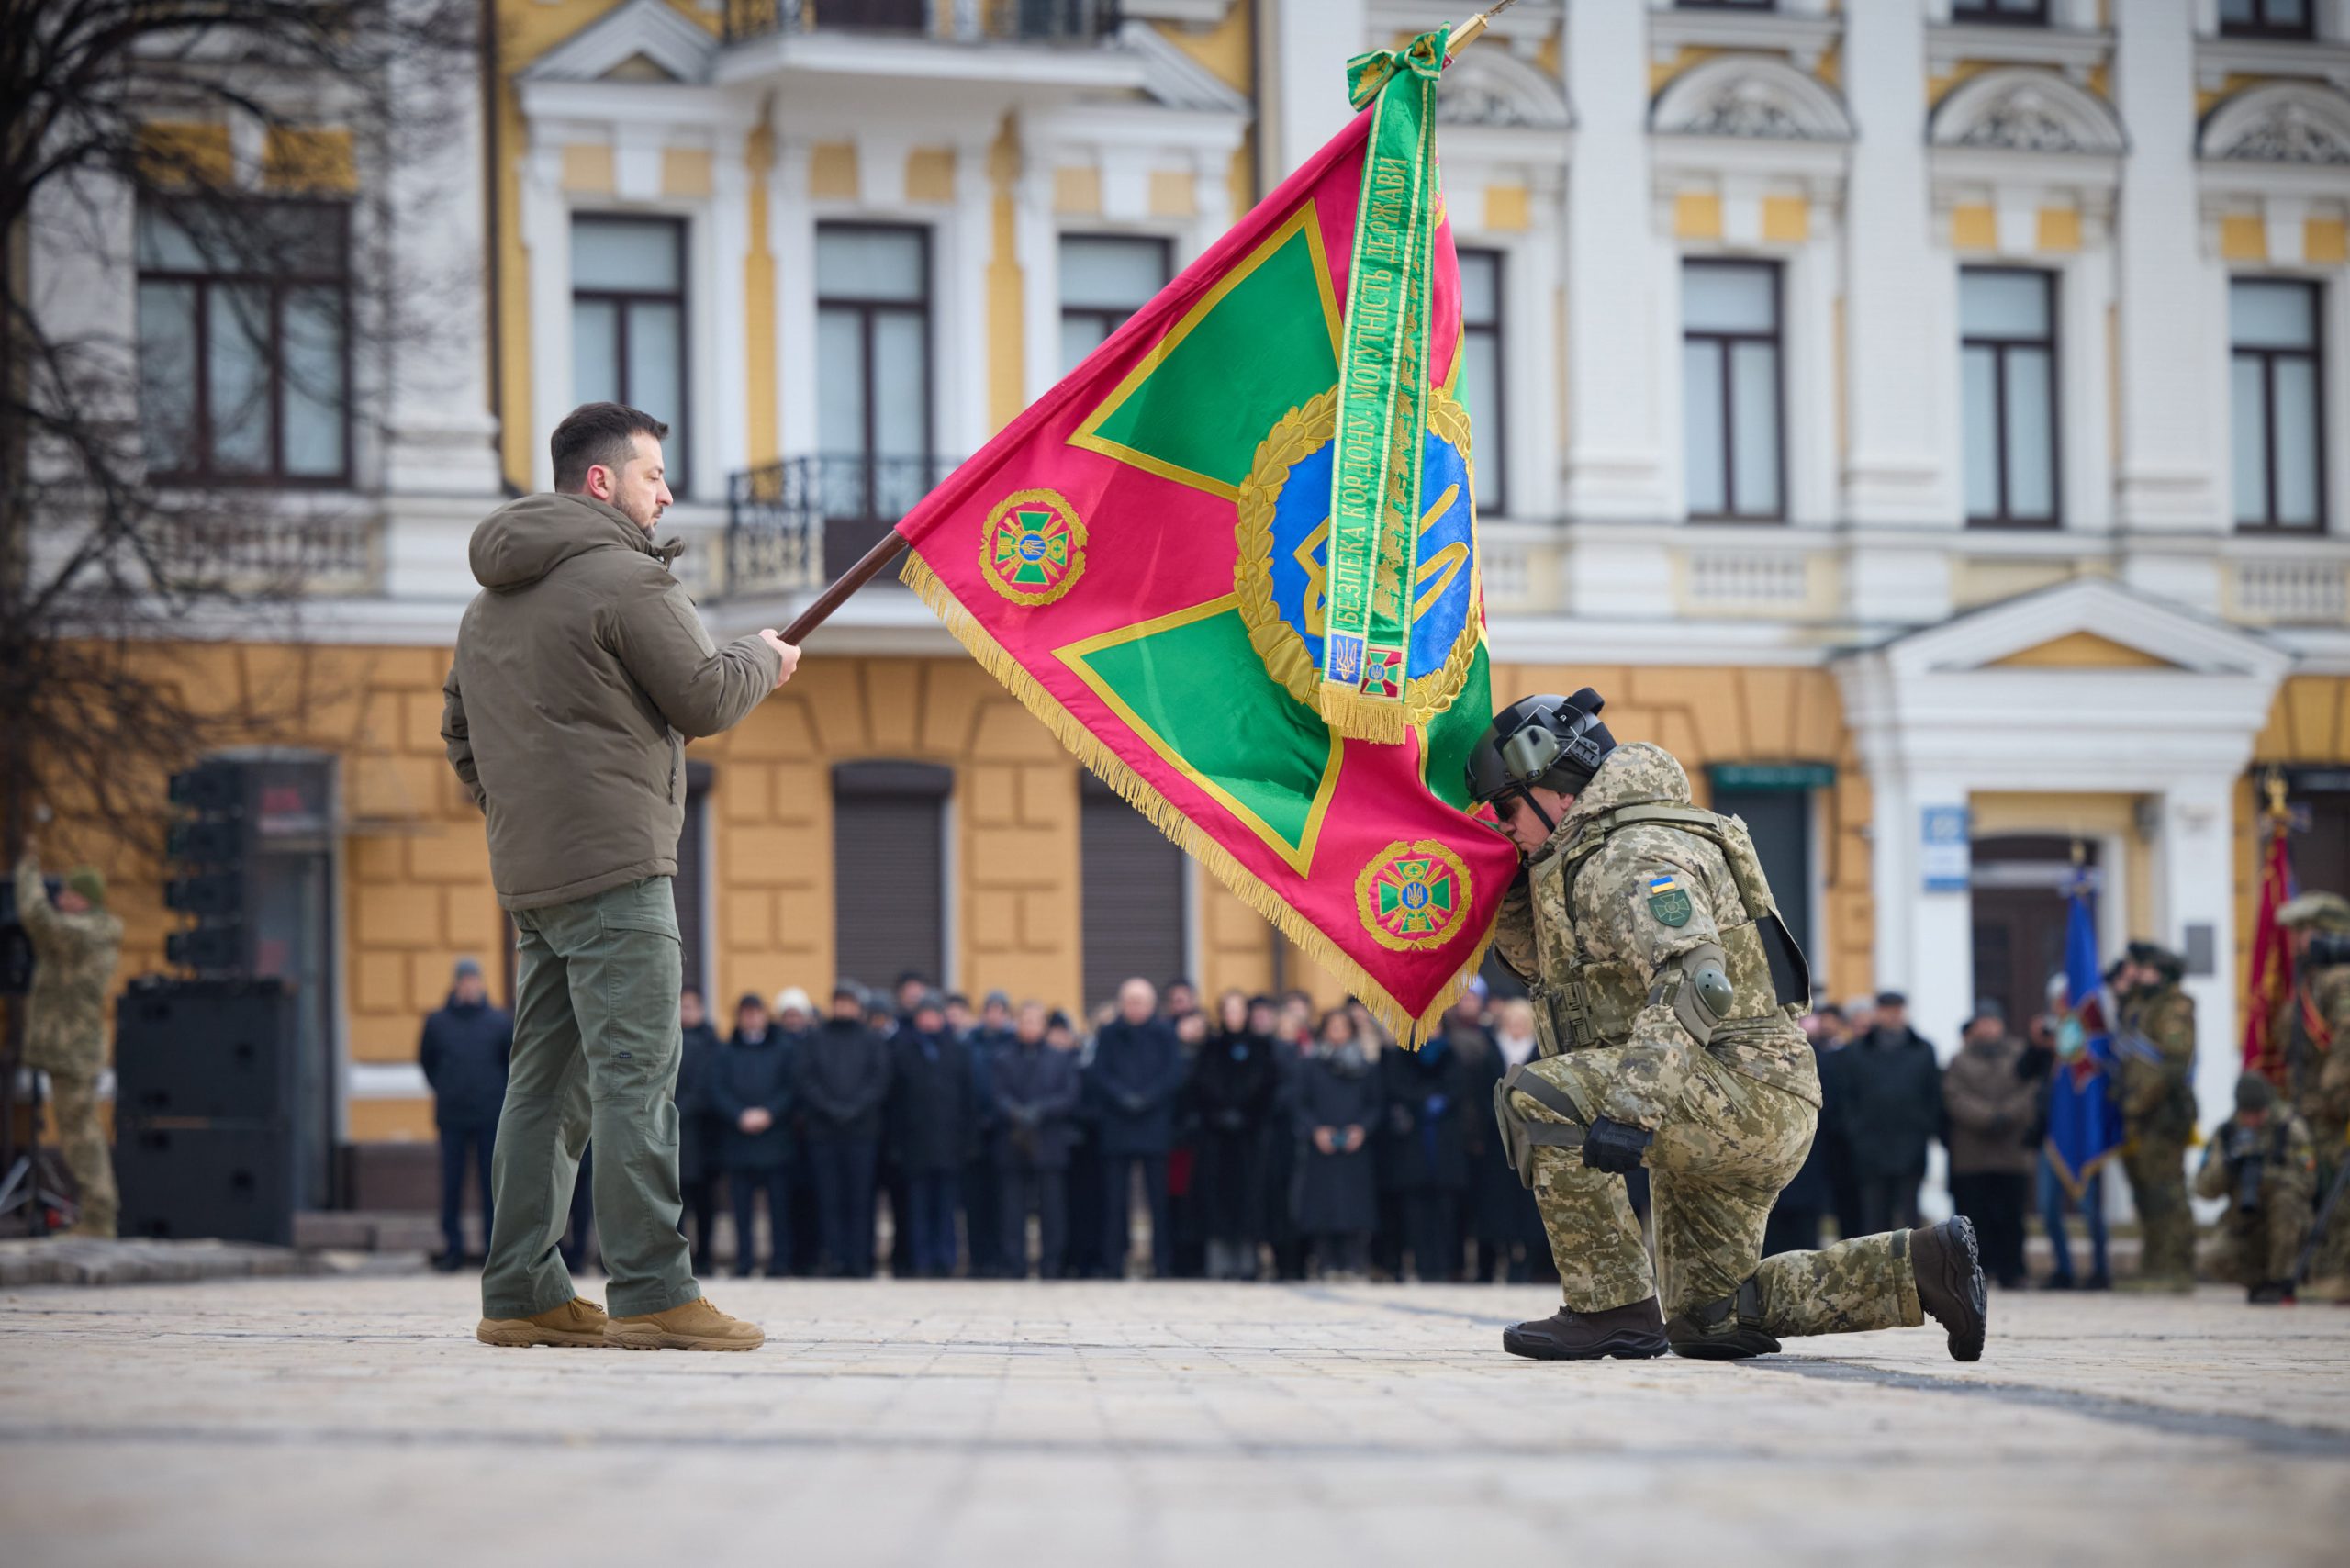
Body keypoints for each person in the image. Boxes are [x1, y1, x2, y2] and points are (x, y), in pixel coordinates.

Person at [1471, 689, 1985, 1362]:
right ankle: (1923, 1268)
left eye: (1507, 807)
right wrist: (1514, 890)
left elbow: (1697, 976)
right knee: (1709, 1320)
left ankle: (1610, 1309)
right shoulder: (1589, 853)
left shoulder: (1632, 852)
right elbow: (1552, 967)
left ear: (1557, 787)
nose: (1502, 824)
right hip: (1734, 1093)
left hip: (1737, 1091)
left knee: (1538, 1096)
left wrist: (1632, 1108)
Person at [446, 401, 793, 1351]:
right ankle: (652, 1288)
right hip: (620, 869)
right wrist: (763, 659)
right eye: (653, 477)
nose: (666, 494)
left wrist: (525, 813)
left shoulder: (488, 604)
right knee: (637, 1076)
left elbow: (459, 738)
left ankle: (518, 1289)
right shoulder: (625, 578)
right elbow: (706, 694)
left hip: (533, 876)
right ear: (601, 482)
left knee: (544, 1087)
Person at [11, 852, 123, 1238]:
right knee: (77, 1132)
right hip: (68, 1049)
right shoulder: (83, 932)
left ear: (86, 900)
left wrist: (27, 873)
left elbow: (38, 919)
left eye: (69, 895)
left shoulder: (86, 932)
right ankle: (96, 1215)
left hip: (73, 1050)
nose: (61, 900)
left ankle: (99, 1216)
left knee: (80, 1135)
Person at [2275, 891, 2350, 1299]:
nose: (2297, 941)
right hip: (2310, 1108)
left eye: (2305, 932)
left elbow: (2346, 1041)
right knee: (2319, 1189)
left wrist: (2339, 1095)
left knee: (2340, 1196)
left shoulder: (2340, 980)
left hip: (2334, 1108)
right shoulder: (2310, 980)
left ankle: (2341, 1276)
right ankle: (2324, 1271)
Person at [2110, 943, 2198, 1292]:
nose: (2136, 975)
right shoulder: (2142, 1005)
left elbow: (2171, 1067)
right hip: (2139, 1115)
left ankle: (2176, 1269)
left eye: (2143, 969)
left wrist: (2140, 1103)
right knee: (2146, 1193)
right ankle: (2155, 1265)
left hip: (2163, 1113)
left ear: (2161, 973)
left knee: (2168, 1193)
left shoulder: (2174, 1006)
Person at [1088, 977, 1188, 1278]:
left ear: (1152, 1004)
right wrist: (1122, 1097)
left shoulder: (1165, 1034)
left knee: (1158, 1201)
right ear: (1122, 1003)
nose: (1135, 1007)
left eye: (1140, 1001)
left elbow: (1173, 1074)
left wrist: (1146, 1098)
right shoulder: (1108, 1033)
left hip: (1154, 1125)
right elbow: (1099, 1073)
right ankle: (1113, 1263)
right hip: (1118, 1125)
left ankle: (1162, 1264)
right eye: (1130, 1001)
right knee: (1115, 1202)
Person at [419, 957, 512, 1271]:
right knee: (452, 1185)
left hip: (489, 1117)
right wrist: (446, 1088)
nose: (470, 985)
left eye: (475, 980)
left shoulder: (499, 1022)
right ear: (457, 983)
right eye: (465, 980)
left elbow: (510, 1065)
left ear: (481, 983)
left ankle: (492, 1250)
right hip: (452, 1117)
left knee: (491, 1186)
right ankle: (453, 1249)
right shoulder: (437, 1022)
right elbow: (427, 1063)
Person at [794, 982, 891, 1277]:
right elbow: (806, 1078)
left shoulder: (872, 1040)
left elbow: (880, 1079)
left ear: (858, 1007)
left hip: (862, 1133)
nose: (844, 1008)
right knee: (829, 1198)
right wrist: (831, 1108)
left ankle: (861, 1260)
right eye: (839, 1002)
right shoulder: (815, 1038)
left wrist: (854, 1109)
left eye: (849, 1002)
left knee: (861, 1199)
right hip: (823, 1133)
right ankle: (834, 1258)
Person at [1939, 1000, 2036, 1290]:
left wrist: (2007, 1115)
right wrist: (1987, 1118)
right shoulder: (1959, 1060)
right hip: (1973, 1154)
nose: (1988, 1028)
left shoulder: (2020, 1055)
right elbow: (1954, 1097)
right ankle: (1978, 1271)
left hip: (2012, 1152)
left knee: (2012, 1216)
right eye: (1983, 1023)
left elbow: (2031, 1090)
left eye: (1993, 1022)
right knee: (1974, 1217)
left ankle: (2013, 1271)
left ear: (2001, 1025)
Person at [2194, 1073, 2317, 1304]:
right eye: (2247, 1114)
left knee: (2285, 1203)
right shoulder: (2226, 1133)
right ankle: (2261, 1284)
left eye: (2258, 1113)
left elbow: (2308, 1182)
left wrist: (2267, 1178)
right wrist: (2227, 1167)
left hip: (2286, 1221)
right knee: (2211, 1258)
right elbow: (2203, 1190)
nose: (2252, 1121)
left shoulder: (2288, 1128)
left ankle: (2280, 1280)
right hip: (2245, 1222)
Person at [1381, 1014, 1479, 1282]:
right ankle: (1422, 1264)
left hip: (1445, 1142)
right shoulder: (1402, 1057)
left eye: (1434, 1026)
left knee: (1446, 1208)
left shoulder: (1451, 1055)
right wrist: (1423, 1100)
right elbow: (1396, 1089)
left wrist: (1441, 1101)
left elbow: (1459, 1089)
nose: (1430, 1032)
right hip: (1412, 1143)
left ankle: (1443, 1265)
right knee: (1415, 1209)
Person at [1188, 991, 1278, 1280]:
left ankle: (1247, 1263)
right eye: (1228, 1011)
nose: (1233, 1017)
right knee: (1217, 1197)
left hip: (1249, 1137)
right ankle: (1220, 1263)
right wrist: (1219, 1114)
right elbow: (1201, 1085)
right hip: (1215, 1136)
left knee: (1248, 1196)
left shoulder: (1261, 1048)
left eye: (1238, 1011)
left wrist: (1246, 1115)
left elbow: (1266, 1087)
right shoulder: (1211, 1048)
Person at [1840, 991, 1944, 1234]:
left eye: (1897, 1009)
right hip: (1870, 1146)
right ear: (1878, 1012)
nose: (1893, 1015)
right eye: (1887, 1009)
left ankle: (1910, 1267)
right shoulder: (1857, 1051)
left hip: (1911, 1143)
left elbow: (1933, 1095)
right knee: (1874, 1217)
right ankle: (1877, 1270)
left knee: (1910, 1215)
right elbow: (1847, 1095)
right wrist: (1855, 1130)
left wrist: (1925, 1126)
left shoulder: (1923, 1050)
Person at [994, 999, 1082, 1277]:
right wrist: (1016, 1112)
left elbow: (1070, 1095)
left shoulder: (1060, 1057)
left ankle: (1051, 1265)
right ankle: (1014, 1265)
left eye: (1035, 1021)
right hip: (1013, 1140)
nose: (1029, 1026)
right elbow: (996, 1095)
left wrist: (1040, 1111)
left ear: (1044, 1025)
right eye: (1024, 1020)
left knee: (1052, 1210)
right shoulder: (1003, 1057)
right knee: (1012, 1210)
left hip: (1049, 1141)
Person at [1292, 1008, 1381, 1280]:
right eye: (1333, 1027)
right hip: (1323, 1144)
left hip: (1355, 1145)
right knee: (1323, 1205)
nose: (1338, 1033)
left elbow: (1375, 1104)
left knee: (1354, 1206)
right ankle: (1325, 1262)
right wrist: (1315, 1130)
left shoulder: (1365, 1066)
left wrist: (1361, 1130)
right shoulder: (1312, 1064)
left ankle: (1354, 1262)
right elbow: (1300, 1103)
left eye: (1343, 1027)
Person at [890, 992, 972, 1277]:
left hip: (949, 1144)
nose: (928, 1019)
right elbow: (895, 1101)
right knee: (918, 1208)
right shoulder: (903, 1050)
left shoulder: (957, 1050)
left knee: (946, 1208)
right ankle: (921, 1261)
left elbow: (967, 1100)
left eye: (934, 1014)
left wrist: (966, 1142)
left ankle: (945, 1261)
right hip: (915, 1145)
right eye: (923, 1015)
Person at [712, 994, 793, 1278]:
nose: (751, 1019)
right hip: (739, 1141)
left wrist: (769, 1113)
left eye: (756, 1013)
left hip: (775, 1141)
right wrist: (739, 1115)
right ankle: (744, 1261)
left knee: (779, 1209)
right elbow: (716, 1089)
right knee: (742, 1209)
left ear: (764, 1016)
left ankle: (780, 1262)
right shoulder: (726, 1051)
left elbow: (791, 1088)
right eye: (745, 1014)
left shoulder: (781, 1049)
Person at [674, 987, 723, 1275]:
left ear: (701, 1010)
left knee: (705, 1201)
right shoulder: (664, 1040)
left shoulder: (712, 1043)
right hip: (673, 1135)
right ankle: (681, 1261)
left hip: (705, 1136)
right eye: (681, 1006)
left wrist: (679, 1110)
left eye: (691, 1006)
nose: (685, 1012)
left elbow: (712, 1085)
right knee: (674, 1201)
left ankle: (705, 1257)